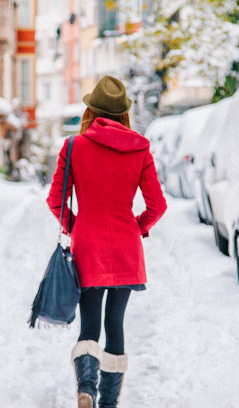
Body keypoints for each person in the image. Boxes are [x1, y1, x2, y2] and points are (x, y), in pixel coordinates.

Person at [47, 76, 167, 408]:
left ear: (91, 110)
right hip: (126, 249)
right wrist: (137, 227)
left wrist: (75, 226)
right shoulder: (140, 148)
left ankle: (87, 388)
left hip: (88, 248)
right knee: (116, 323)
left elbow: (55, 201)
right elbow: (158, 205)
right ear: (124, 113)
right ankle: (108, 404)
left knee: (90, 324)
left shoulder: (74, 147)